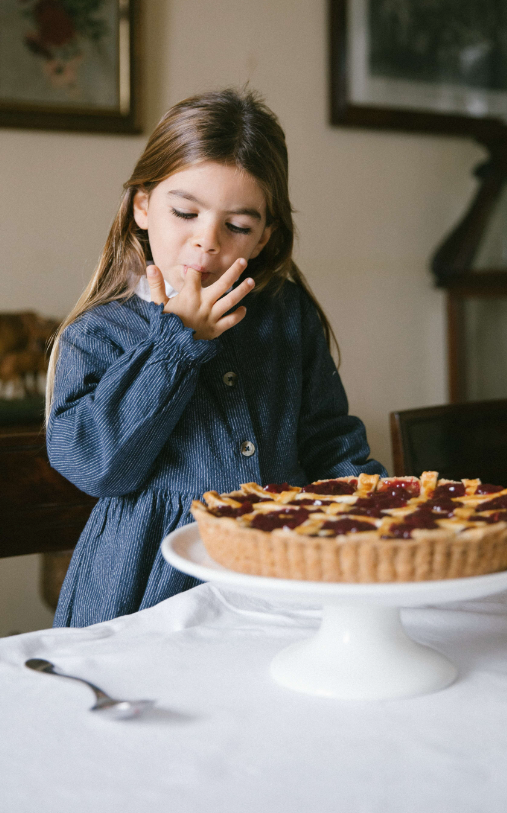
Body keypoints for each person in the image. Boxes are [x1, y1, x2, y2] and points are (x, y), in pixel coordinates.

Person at [46, 89, 385, 628]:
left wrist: (374, 515)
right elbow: (94, 465)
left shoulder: (285, 314)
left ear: (264, 237)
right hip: (147, 593)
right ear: (141, 207)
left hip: (283, 575)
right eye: (185, 212)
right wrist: (176, 341)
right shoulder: (98, 332)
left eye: (238, 226)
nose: (206, 243)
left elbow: (329, 440)